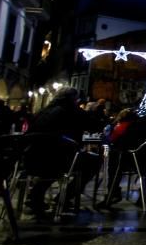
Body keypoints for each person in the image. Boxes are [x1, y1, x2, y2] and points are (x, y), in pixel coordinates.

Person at [26, 87, 101, 216]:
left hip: (31, 159)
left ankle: (35, 195)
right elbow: (95, 125)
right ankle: (64, 198)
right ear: (74, 99)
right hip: (58, 158)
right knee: (93, 162)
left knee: (52, 163)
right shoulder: (71, 111)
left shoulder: (43, 111)